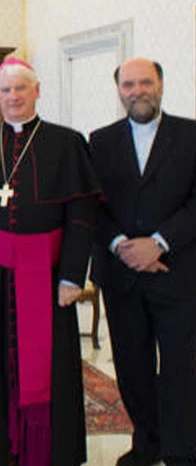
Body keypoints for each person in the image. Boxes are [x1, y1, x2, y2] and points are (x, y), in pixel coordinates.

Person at [0, 57, 100, 466]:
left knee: (48, 364)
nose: (13, 97)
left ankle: (45, 449)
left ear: (38, 91)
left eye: (21, 88)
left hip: (47, 275)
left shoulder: (67, 144)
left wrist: (72, 276)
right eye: (5, 90)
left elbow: (81, 216)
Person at [89, 58, 196, 466]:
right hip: (122, 276)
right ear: (119, 90)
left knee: (179, 369)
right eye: (129, 84)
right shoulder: (99, 141)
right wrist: (121, 245)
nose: (138, 91)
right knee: (132, 368)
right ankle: (146, 445)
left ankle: (182, 448)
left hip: (178, 272)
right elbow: (92, 205)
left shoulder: (190, 135)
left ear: (161, 85)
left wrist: (159, 243)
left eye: (145, 83)